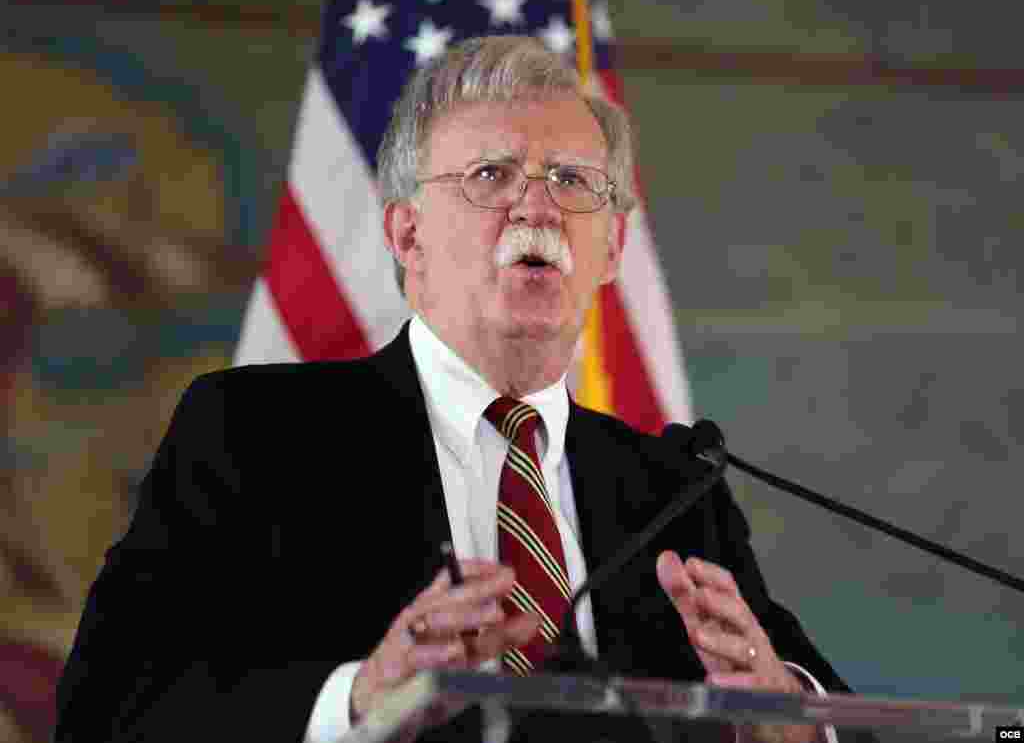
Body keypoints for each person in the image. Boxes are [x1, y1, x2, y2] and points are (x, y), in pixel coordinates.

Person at [55, 36, 866, 743]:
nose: (537, 205)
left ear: (613, 245)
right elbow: (108, 711)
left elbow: (839, 718)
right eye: (491, 173)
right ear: (406, 233)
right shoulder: (256, 434)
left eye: (574, 180)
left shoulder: (673, 488)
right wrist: (362, 699)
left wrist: (783, 717)